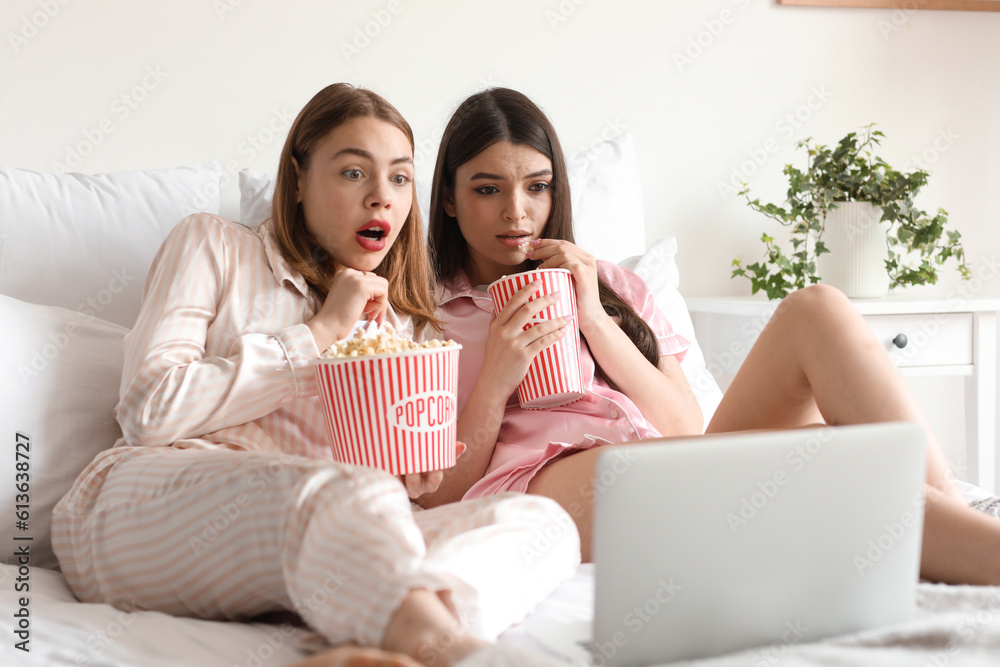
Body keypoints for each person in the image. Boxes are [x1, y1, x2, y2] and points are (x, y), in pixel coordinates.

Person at [50, 84, 580, 667]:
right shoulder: (214, 245)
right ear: (298, 179)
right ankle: (451, 651)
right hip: (142, 506)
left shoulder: (405, 324)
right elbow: (148, 411)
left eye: (400, 178)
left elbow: (386, 492)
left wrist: (412, 477)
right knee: (343, 493)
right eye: (355, 173)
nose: (381, 198)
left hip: (305, 544)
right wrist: (319, 334)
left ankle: (382, 637)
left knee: (542, 524)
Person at [422, 87, 1000, 586]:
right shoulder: (423, 312)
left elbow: (681, 426)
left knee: (816, 308)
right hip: (551, 480)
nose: (517, 212)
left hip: (668, 460)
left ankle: (954, 508)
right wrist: (499, 375)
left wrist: (594, 315)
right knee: (828, 470)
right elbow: (437, 497)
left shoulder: (613, 284)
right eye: (487, 189)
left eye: (537, 187)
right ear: (449, 197)